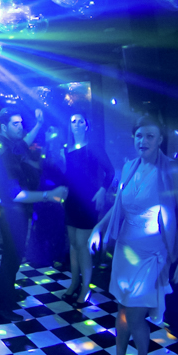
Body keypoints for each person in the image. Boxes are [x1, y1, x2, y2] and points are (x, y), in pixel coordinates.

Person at [90, 115, 178, 355]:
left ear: (160, 139)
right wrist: (99, 227)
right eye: (139, 135)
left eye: (150, 136)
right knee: (121, 310)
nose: (143, 141)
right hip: (125, 250)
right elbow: (119, 206)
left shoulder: (171, 169)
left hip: (152, 254)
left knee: (135, 315)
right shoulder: (130, 166)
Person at [0, 108, 68, 322]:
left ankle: (8, 295)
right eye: (15, 124)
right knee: (11, 258)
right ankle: (0, 308)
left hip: (10, 212)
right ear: (4, 127)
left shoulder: (6, 144)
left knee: (14, 256)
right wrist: (49, 195)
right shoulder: (4, 152)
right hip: (11, 213)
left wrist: (38, 124)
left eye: (21, 123)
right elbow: (16, 194)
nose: (20, 127)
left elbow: (23, 142)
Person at [57, 113, 114, 305]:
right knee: (73, 244)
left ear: (86, 125)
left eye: (80, 121)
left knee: (83, 245)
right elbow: (67, 176)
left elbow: (110, 171)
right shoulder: (67, 149)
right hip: (71, 199)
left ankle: (86, 288)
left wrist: (102, 190)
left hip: (88, 199)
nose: (76, 124)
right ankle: (74, 283)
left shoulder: (93, 147)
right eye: (73, 121)